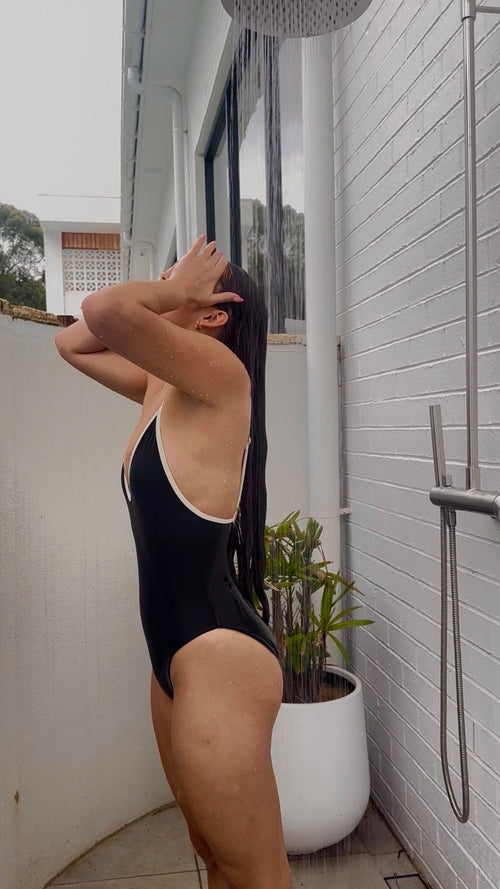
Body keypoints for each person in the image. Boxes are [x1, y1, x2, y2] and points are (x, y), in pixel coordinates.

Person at [55, 236, 293, 889]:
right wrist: (174, 294)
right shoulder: (163, 381)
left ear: (212, 312)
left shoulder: (223, 379)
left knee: (256, 875)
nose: (161, 284)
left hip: (221, 661)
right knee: (211, 853)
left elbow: (103, 310)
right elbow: (71, 342)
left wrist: (174, 294)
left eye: (176, 279)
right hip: (172, 661)